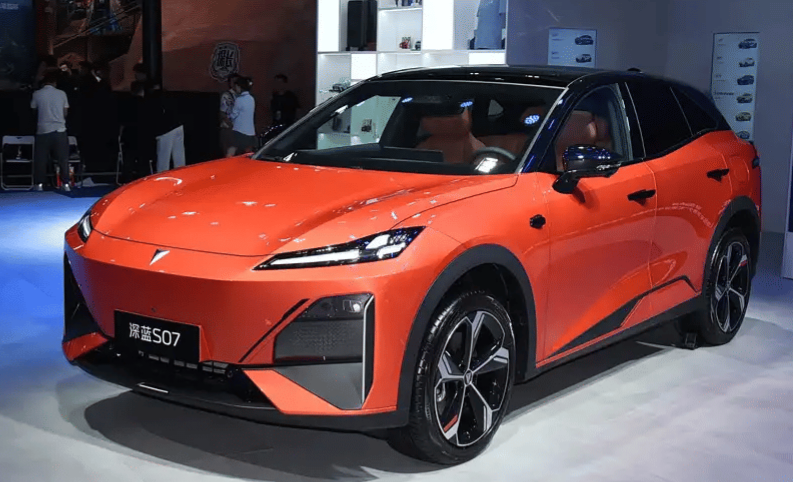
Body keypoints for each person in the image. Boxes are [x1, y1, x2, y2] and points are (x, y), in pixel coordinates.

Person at [31, 70, 71, 191]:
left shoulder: (37, 94)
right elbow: (65, 112)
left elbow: (34, 110)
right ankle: (65, 183)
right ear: (55, 82)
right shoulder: (62, 93)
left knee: (41, 159)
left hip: (43, 130)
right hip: (60, 130)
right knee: (63, 159)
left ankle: (39, 184)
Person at [149, 84, 186, 172]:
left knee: (163, 160)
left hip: (165, 129)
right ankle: (182, 175)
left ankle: (163, 177)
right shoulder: (169, 95)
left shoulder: (154, 98)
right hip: (177, 125)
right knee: (179, 158)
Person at [229, 76, 257, 156]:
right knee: (248, 152)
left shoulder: (239, 99)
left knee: (232, 149)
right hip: (250, 131)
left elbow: (234, 114)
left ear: (239, 87)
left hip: (240, 130)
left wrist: (228, 117)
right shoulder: (251, 99)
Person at [220, 73, 241, 157]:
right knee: (230, 154)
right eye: (233, 82)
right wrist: (231, 126)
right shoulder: (227, 95)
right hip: (229, 129)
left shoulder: (242, 95)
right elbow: (223, 113)